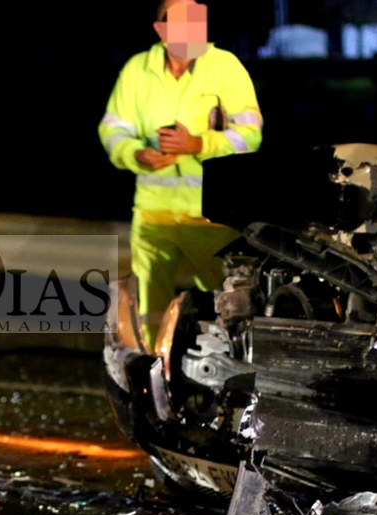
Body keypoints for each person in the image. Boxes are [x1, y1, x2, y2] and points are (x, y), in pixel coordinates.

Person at [98, 0, 263, 349]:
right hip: (152, 212)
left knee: (226, 300)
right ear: (160, 29)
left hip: (209, 212)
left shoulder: (224, 66)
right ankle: (154, 371)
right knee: (148, 306)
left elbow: (250, 136)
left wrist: (197, 143)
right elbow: (112, 130)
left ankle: (222, 370)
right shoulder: (136, 70)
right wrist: (136, 154)